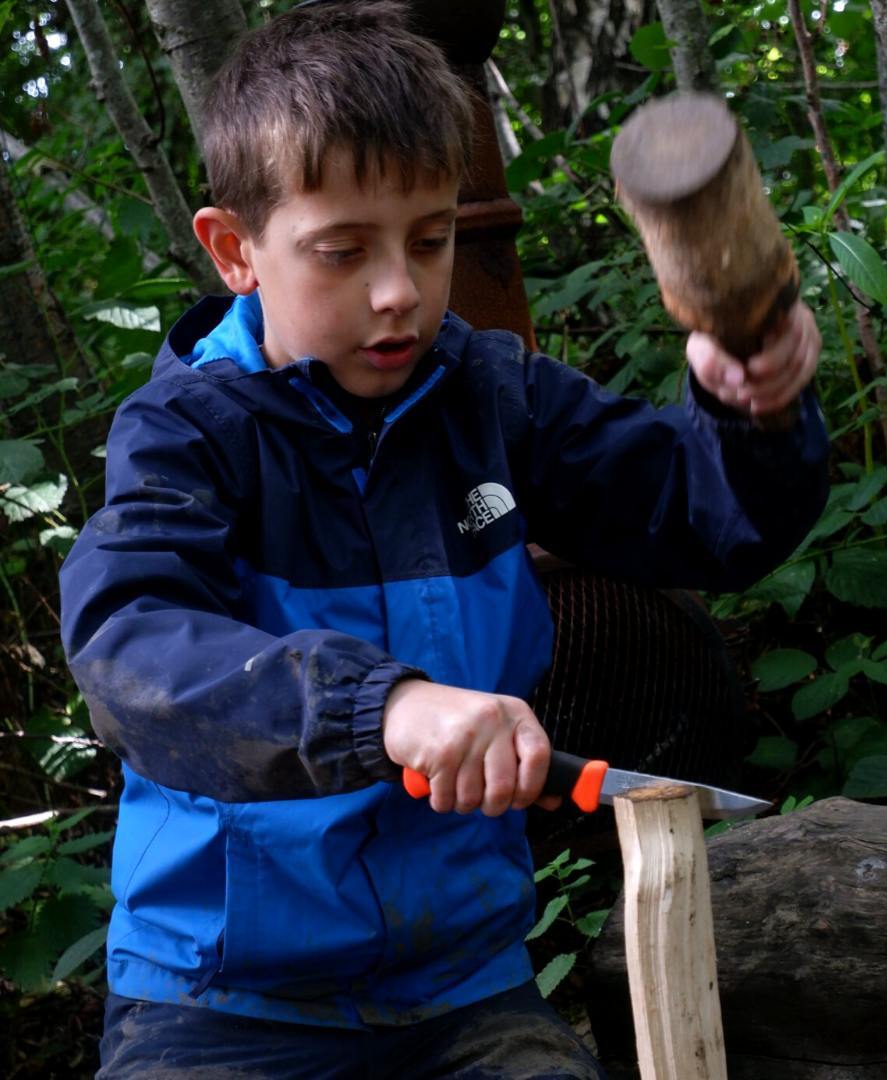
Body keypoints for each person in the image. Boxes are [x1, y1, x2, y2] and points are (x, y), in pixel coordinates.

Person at [59, 3, 829, 1077]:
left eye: (431, 240)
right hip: (222, 999)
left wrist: (753, 409)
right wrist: (388, 709)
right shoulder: (190, 432)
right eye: (343, 251)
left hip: (466, 996)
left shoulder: (488, 397)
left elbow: (705, 518)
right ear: (236, 250)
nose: (399, 293)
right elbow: (129, 644)